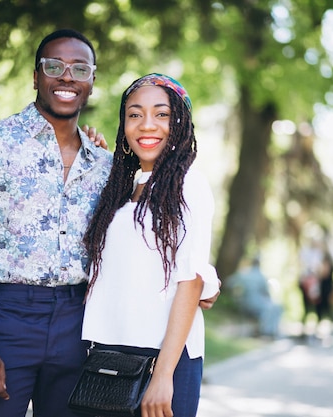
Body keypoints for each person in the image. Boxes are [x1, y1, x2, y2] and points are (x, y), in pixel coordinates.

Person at [0, 29, 219, 417]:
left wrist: (204, 276)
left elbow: (161, 241)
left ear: (92, 81)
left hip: (78, 327)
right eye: (54, 66)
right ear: (36, 76)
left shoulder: (105, 168)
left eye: (79, 68)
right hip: (8, 320)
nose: (67, 76)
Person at [81, 73, 219, 417]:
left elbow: (191, 280)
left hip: (164, 358)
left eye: (161, 114)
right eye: (134, 114)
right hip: (108, 354)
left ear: (180, 124)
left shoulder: (189, 185)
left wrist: (163, 375)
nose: (147, 125)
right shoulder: (119, 191)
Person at [227, 256, 282, 338]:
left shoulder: (244, 273)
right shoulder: (261, 277)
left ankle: (265, 331)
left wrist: (236, 296)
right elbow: (266, 293)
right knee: (276, 307)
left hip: (243, 304)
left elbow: (229, 283)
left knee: (272, 307)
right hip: (256, 305)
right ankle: (267, 332)